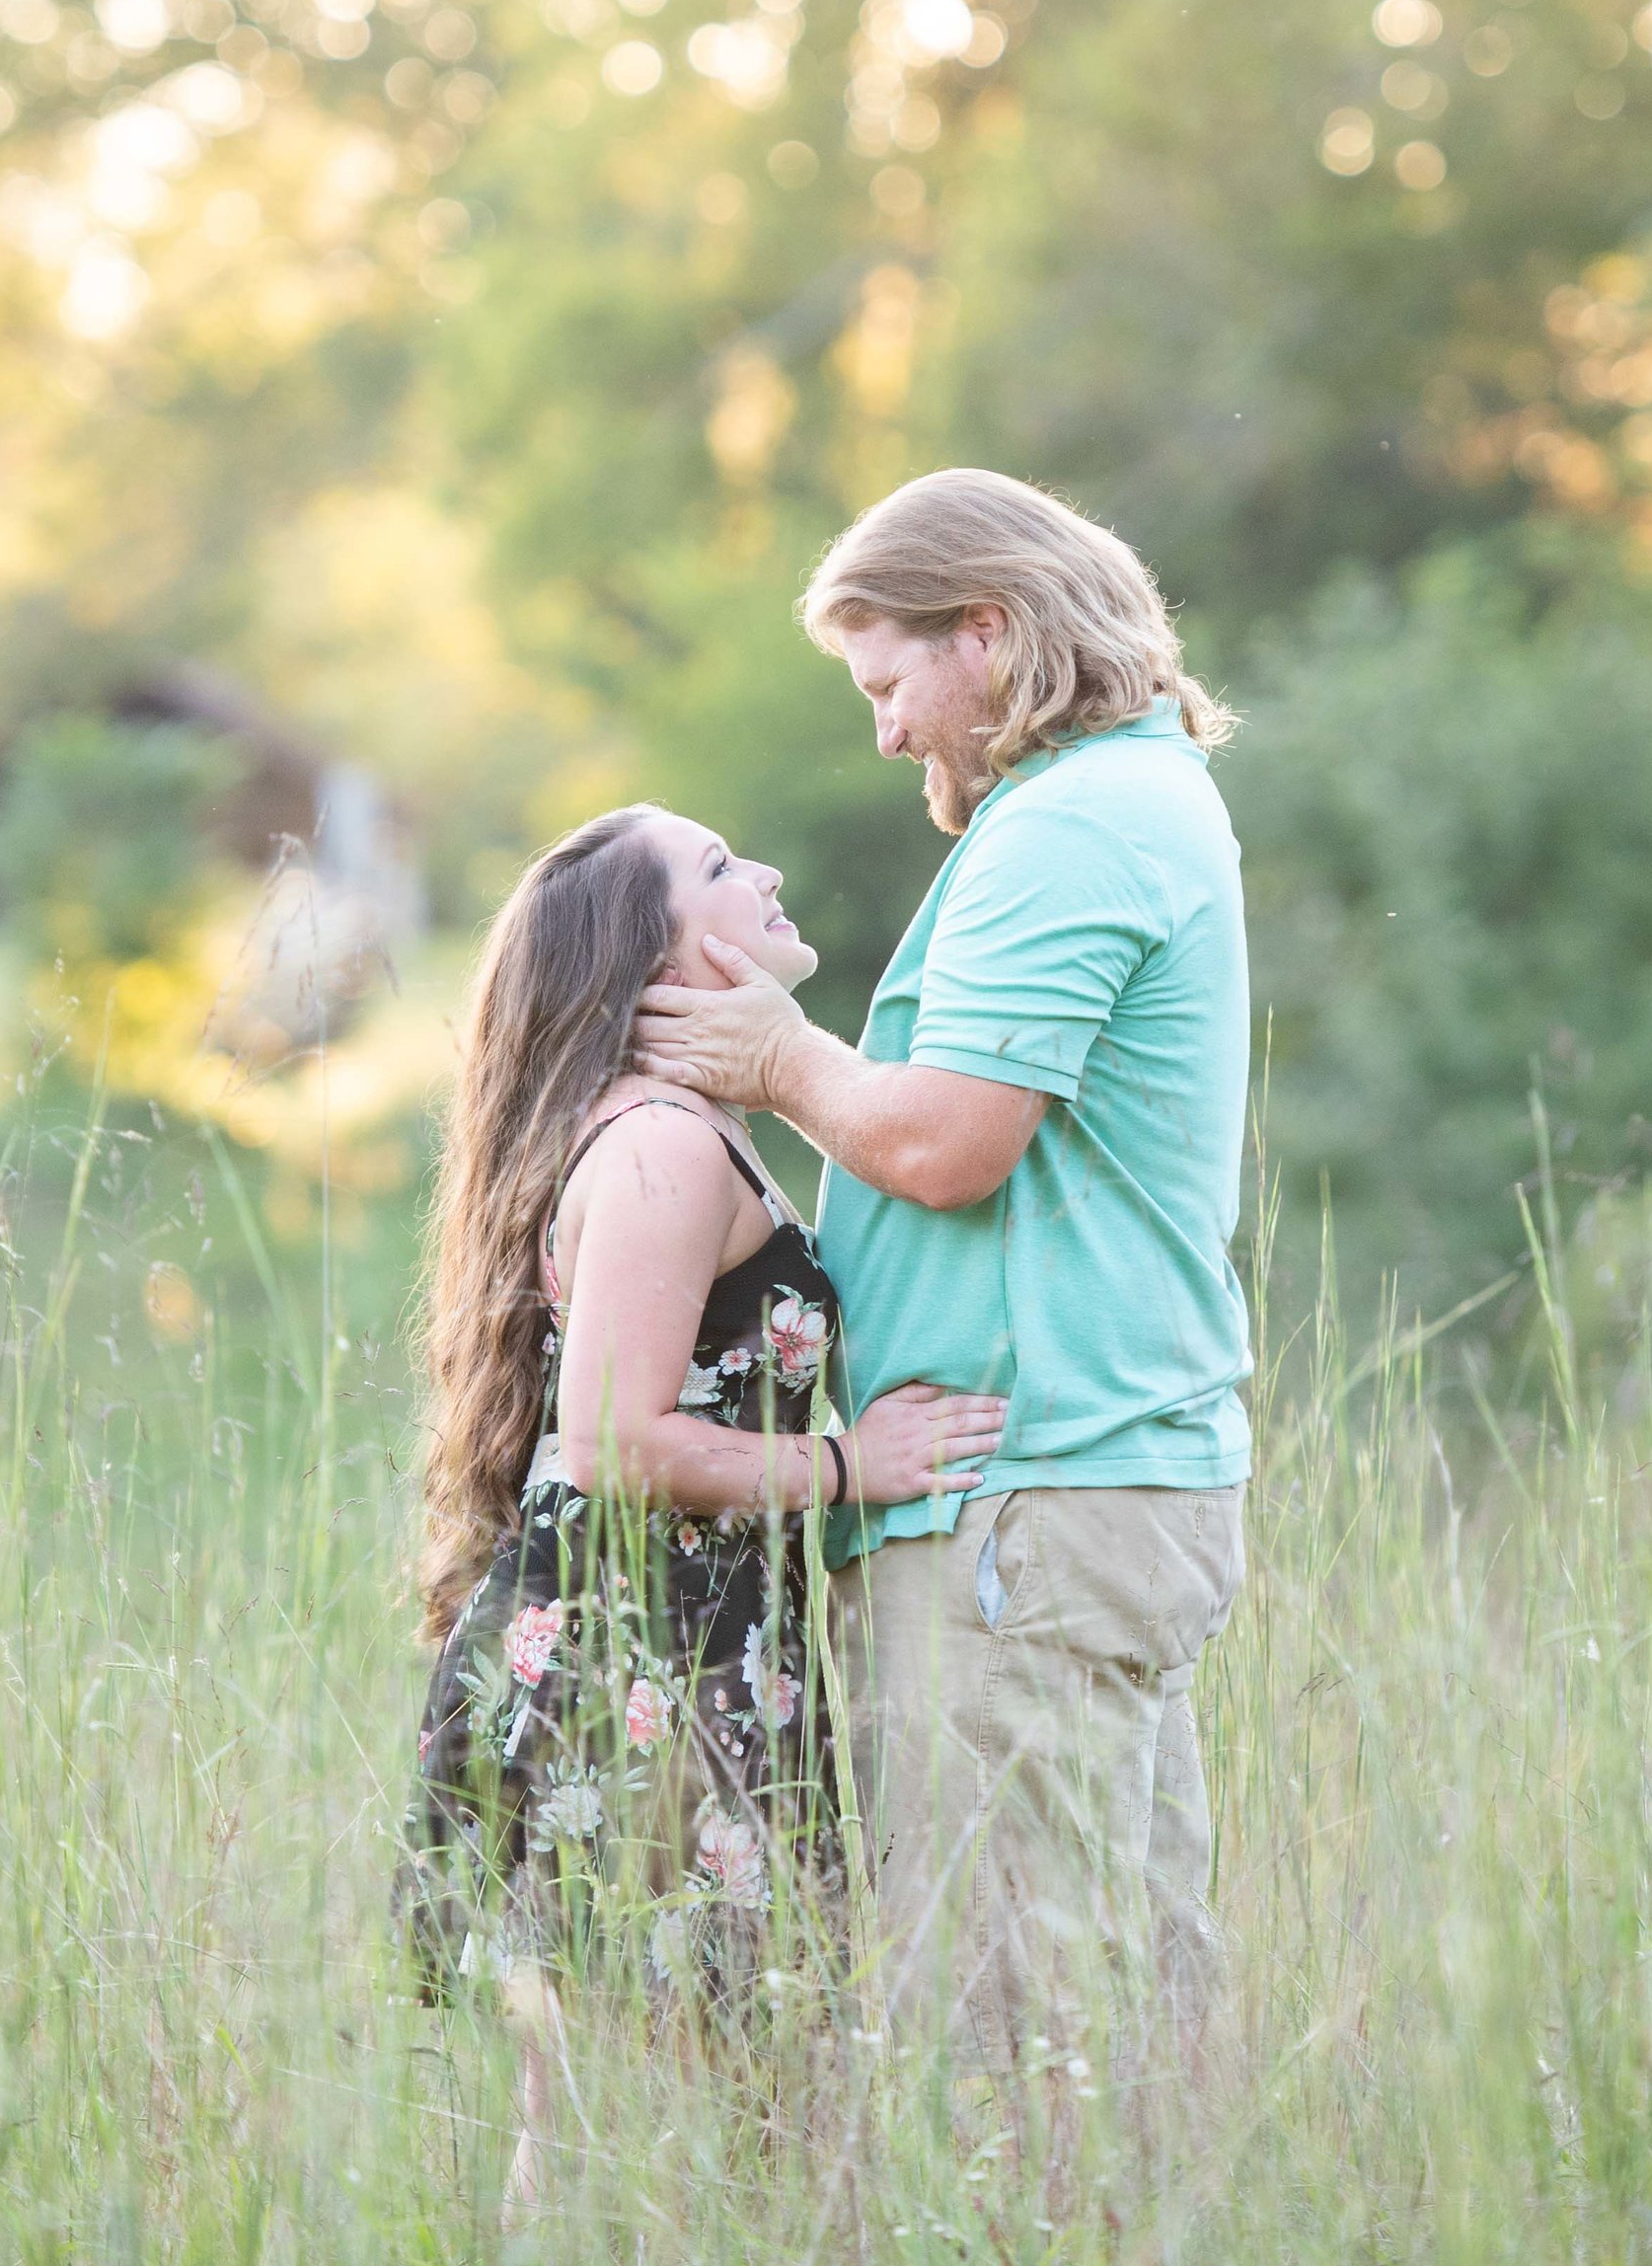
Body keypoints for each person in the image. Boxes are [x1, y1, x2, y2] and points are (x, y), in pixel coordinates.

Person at [636, 467, 1254, 2085]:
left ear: (988, 630)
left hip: (1022, 1493)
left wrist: (778, 1056)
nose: (889, 733)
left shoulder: (1072, 823)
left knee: (1001, 2025)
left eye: (890, 680)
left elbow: (953, 1141)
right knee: (1119, 1991)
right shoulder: (1122, 797)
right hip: (1064, 1483)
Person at [399, 800, 1006, 2203]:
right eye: (724, 870)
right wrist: (862, 1463)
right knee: (690, 2106)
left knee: (664, 2104)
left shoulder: (669, 1132)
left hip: (673, 1657)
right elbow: (613, 1438)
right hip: (649, 1678)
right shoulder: (665, 1148)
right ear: (652, 966)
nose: (772, 872)